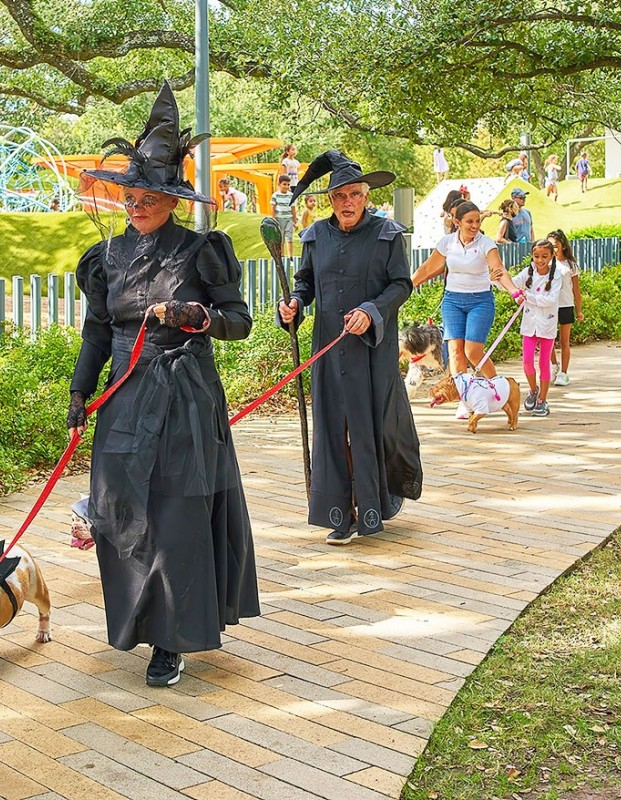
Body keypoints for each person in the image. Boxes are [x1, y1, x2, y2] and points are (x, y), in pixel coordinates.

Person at [70, 83, 259, 685]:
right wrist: (79, 394)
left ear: (172, 198)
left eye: (151, 195)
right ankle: (136, 622)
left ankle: (171, 639)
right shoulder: (106, 256)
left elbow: (239, 322)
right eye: (132, 194)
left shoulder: (202, 250)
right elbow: (98, 332)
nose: (138, 204)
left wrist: (194, 317)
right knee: (125, 513)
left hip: (183, 395)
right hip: (124, 396)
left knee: (175, 515)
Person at [278, 150, 423, 544]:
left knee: (367, 428)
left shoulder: (387, 234)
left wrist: (371, 310)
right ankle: (340, 513)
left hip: (371, 351)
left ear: (365, 197)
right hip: (327, 347)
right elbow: (305, 282)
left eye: (354, 195)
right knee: (331, 428)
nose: (347, 203)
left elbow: (401, 285)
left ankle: (370, 507)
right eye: (339, 195)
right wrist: (293, 303)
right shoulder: (315, 237)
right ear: (330, 200)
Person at [411, 201, 525, 420]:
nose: (475, 226)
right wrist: (405, 287)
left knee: (473, 351)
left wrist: (513, 291)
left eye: (477, 221)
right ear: (457, 222)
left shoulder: (486, 244)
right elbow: (426, 268)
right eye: (470, 222)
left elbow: (498, 269)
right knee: (455, 351)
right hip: (452, 301)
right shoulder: (447, 243)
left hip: (480, 301)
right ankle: (465, 400)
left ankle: (501, 391)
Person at [513, 240, 562, 417]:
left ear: (552, 256)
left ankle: (542, 399)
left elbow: (550, 299)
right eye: (536, 256)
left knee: (544, 363)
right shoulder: (528, 272)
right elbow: (512, 283)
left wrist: (528, 296)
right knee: (526, 361)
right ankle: (533, 389)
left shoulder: (557, 276)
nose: (540, 260)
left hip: (546, 325)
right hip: (529, 325)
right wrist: (496, 278)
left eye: (544, 256)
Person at [548, 229, 584, 385]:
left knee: (564, 341)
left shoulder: (570, 265)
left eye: (555, 245)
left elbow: (576, 289)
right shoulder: (546, 263)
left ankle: (564, 373)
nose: (553, 249)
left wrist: (579, 310)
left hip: (566, 305)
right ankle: (554, 366)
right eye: (550, 245)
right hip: (549, 306)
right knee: (548, 340)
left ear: (562, 246)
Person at [270, 174, 297, 257]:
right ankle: (282, 256)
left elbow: (293, 209)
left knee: (289, 238)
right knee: (280, 239)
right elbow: (273, 209)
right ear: (279, 184)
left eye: (288, 184)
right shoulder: (275, 195)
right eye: (284, 184)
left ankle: (290, 257)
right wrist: (274, 220)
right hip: (279, 219)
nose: (286, 186)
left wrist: (294, 222)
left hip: (289, 219)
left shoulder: (291, 195)